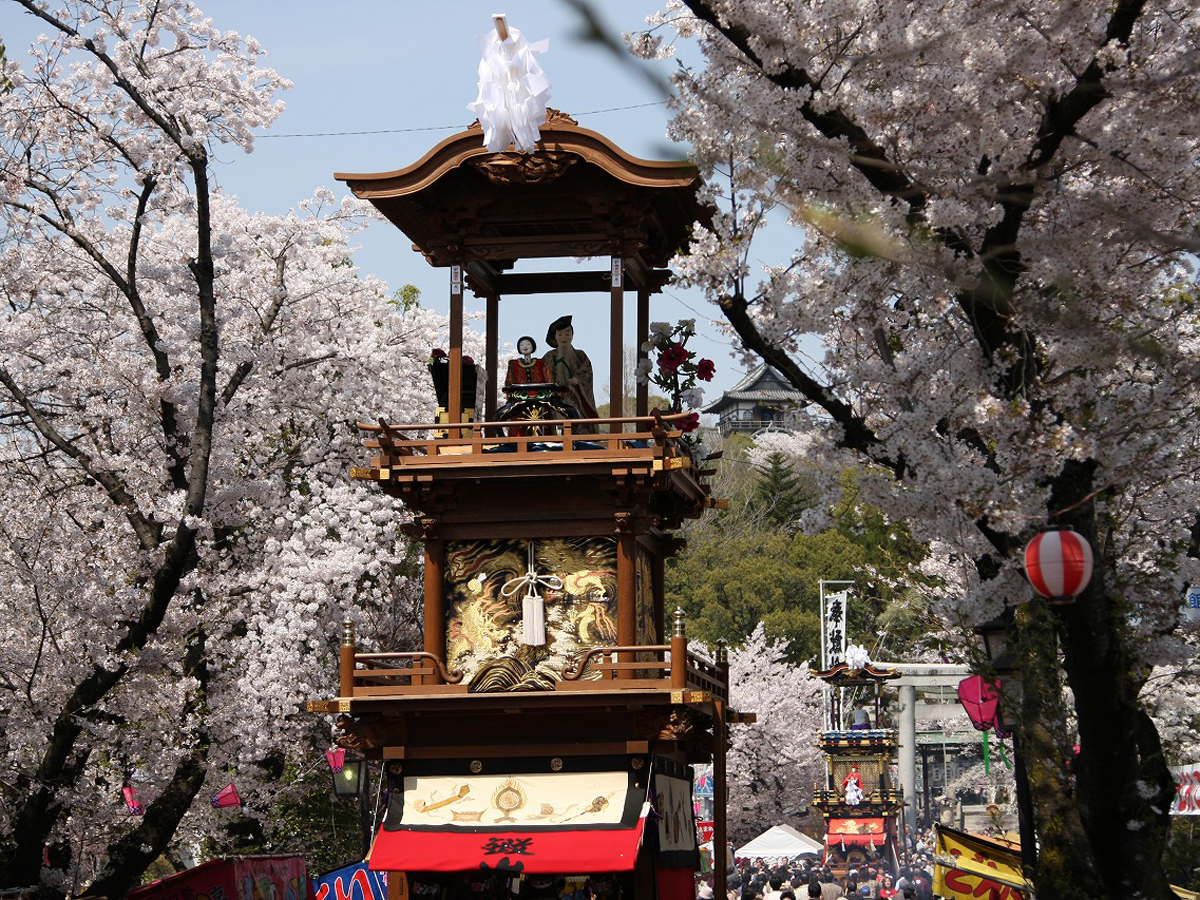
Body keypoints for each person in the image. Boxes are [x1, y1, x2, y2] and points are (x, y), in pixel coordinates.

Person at [543, 314, 598, 432]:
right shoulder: (549, 357)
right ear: (555, 337)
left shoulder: (580, 355)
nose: (564, 337)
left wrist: (579, 379)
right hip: (556, 400)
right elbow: (543, 375)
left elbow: (587, 372)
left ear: (572, 336)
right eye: (560, 334)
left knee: (578, 422)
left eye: (567, 334)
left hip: (576, 398)